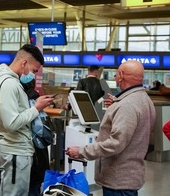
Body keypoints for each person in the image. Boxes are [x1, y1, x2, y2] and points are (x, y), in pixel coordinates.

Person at [66, 60, 156, 196]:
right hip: (130, 176)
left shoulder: (127, 105)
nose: (115, 78)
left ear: (121, 75)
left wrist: (81, 151)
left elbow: (116, 143)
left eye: (115, 75)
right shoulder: (144, 99)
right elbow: (135, 134)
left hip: (118, 181)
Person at [0, 44, 54, 196]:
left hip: (19, 150)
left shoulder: (12, 82)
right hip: (16, 151)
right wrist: (36, 108)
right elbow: (11, 123)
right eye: (34, 70)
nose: (34, 75)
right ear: (24, 63)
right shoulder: (9, 84)